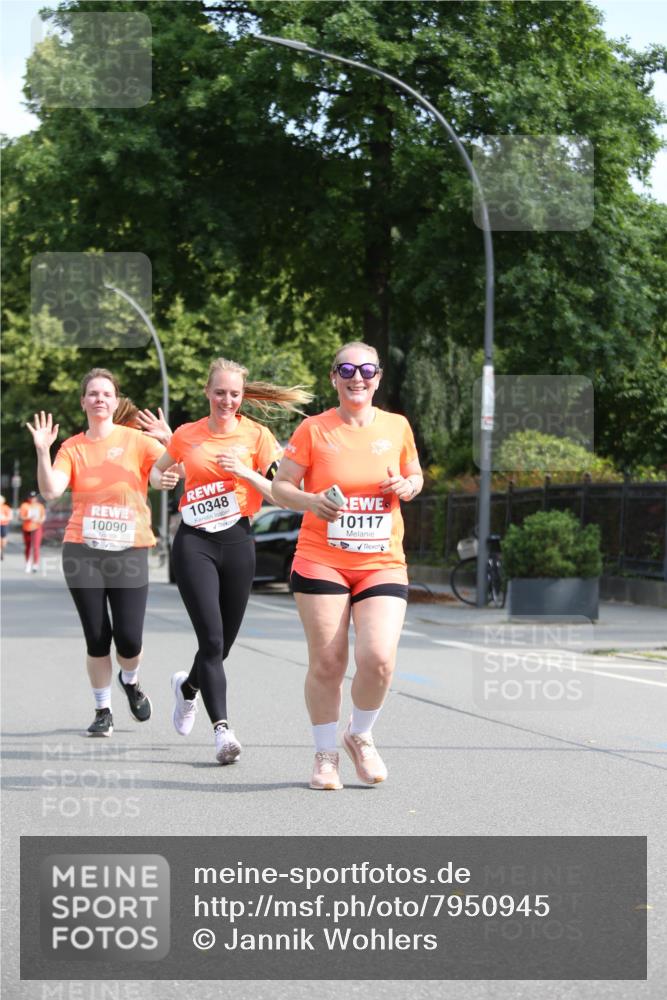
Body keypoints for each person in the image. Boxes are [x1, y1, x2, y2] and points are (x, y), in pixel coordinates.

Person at [272, 342, 423, 790]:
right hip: (322, 558)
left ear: (378, 378)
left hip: (381, 560)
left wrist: (408, 485)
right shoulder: (315, 430)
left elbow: (415, 475)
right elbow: (281, 488)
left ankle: (359, 734)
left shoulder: (397, 426)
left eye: (367, 370)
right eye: (347, 369)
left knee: (378, 659)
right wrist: (311, 500)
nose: (358, 377)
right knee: (329, 662)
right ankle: (325, 755)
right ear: (333, 378)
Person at [151, 358, 311, 765]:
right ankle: (223, 731)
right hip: (194, 542)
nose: (226, 400)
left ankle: (188, 688)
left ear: (242, 397)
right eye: (219, 392)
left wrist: (244, 471)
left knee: (223, 643)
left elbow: (281, 493)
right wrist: (162, 480)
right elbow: (157, 471)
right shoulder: (187, 435)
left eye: (234, 394)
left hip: (239, 539)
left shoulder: (258, 436)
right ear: (207, 392)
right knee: (212, 639)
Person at [26, 368, 179, 737]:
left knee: (129, 639)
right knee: (97, 637)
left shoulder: (137, 441)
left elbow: (163, 477)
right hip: (83, 551)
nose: (99, 399)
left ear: (115, 400)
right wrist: (43, 452)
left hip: (129, 549)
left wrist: (170, 446)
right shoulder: (73, 447)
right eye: (92, 393)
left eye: (106, 393)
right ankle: (102, 710)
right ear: (83, 402)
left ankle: (131, 679)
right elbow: (50, 490)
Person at [18, 491, 46, 573]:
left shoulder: (40, 506)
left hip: (37, 527)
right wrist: (28, 517)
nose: (32, 499)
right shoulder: (24, 505)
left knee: (36, 546)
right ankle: (28, 563)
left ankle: (35, 564)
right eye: (31, 497)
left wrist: (40, 520)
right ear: (28, 498)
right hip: (27, 528)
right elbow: (21, 517)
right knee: (28, 546)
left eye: (34, 497)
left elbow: (43, 517)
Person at [0, 495, 12, 560]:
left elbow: (10, 517)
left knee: (3, 539)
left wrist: (4, 518)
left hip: (4, 524)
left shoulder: (6, 507)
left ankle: (2, 550)